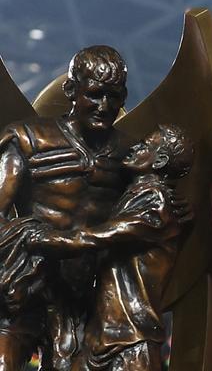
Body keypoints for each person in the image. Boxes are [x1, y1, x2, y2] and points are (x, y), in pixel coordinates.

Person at [0, 45, 132, 370]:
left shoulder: (129, 155)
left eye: (114, 97)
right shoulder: (29, 140)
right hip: (25, 285)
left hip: (82, 298)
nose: (104, 106)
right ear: (71, 90)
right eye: (95, 94)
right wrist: (35, 237)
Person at [29, 124, 193, 371]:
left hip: (131, 341)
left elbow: (96, 237)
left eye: (145, 145)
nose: (136, 146)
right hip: (101, 337)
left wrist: (43, 238)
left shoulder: (157, 203)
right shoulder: (132, 196)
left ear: (159, 160)